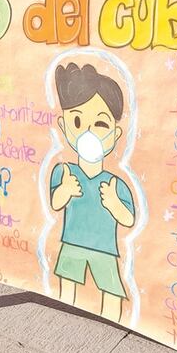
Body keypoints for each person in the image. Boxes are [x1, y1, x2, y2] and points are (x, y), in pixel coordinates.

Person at [50, 62, 136, 323]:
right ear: (64, 127)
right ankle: (66, 318)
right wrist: (64, 191)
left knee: (111, 292)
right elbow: (55, 203)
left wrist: (113, 204)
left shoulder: (115, 183)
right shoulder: (63, 172)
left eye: (99, 123)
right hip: (72, 243)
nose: (88, 132)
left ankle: (111, 323)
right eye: (77, 121)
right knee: (67, 283)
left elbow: (128, 219)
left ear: (115, 133)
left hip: (105, 249)